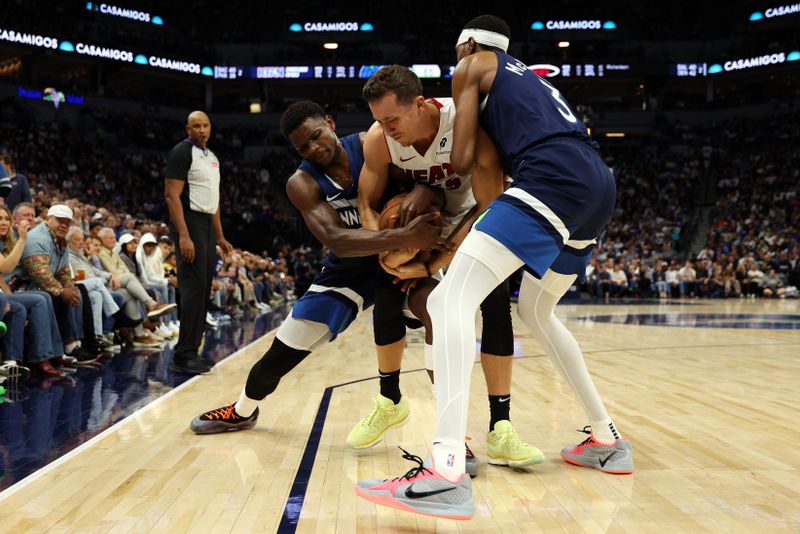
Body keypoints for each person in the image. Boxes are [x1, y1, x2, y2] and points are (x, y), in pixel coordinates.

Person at [356, 15, 633, 519]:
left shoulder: (473, 65)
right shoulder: (528, 79)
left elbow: (460, 159)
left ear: (467, 45)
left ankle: (444, 471)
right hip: (596, 184)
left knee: (446, 299)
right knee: (537, 310)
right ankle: (608, 439)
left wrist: (432, 198)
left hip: (548, 179)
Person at [189, 100, 442, 434]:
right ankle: (242, 409)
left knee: (438, 311)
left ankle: (450, 426)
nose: (313, 148)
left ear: (330, 123)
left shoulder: (372, 144)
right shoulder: (302, 183)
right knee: (279, 355)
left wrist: (423, 192)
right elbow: (338, 240)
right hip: (348, 268)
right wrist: (402, 235)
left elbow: (425, 180)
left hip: (401, 259)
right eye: (302, 146)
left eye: (316, 136)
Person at [352, 64, 541, 475]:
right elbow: (366, 204)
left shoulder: (464, 124)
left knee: (495, 309)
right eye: (380, 121)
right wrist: (384, 250)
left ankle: (502, 427)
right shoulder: (379, 139)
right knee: (387, 293)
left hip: (480, 221)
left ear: (419, 104)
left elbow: (492, 201)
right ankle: (394, 402)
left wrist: (442, 257)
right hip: (427, 227)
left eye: (393, 119)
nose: (387, 128)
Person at [165, 111, 234, 374]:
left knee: (203, 290)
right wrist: (183, 235)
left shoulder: (212, 157)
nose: (201, 130)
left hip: (206, 225)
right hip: (190, 222)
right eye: (196, 126)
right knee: (193, 290)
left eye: (205, 125)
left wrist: (219, 236)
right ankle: (182, 356)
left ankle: (192, 351)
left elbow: (214, 200)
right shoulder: (182, 152)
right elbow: (172, 196)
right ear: (188, 129)